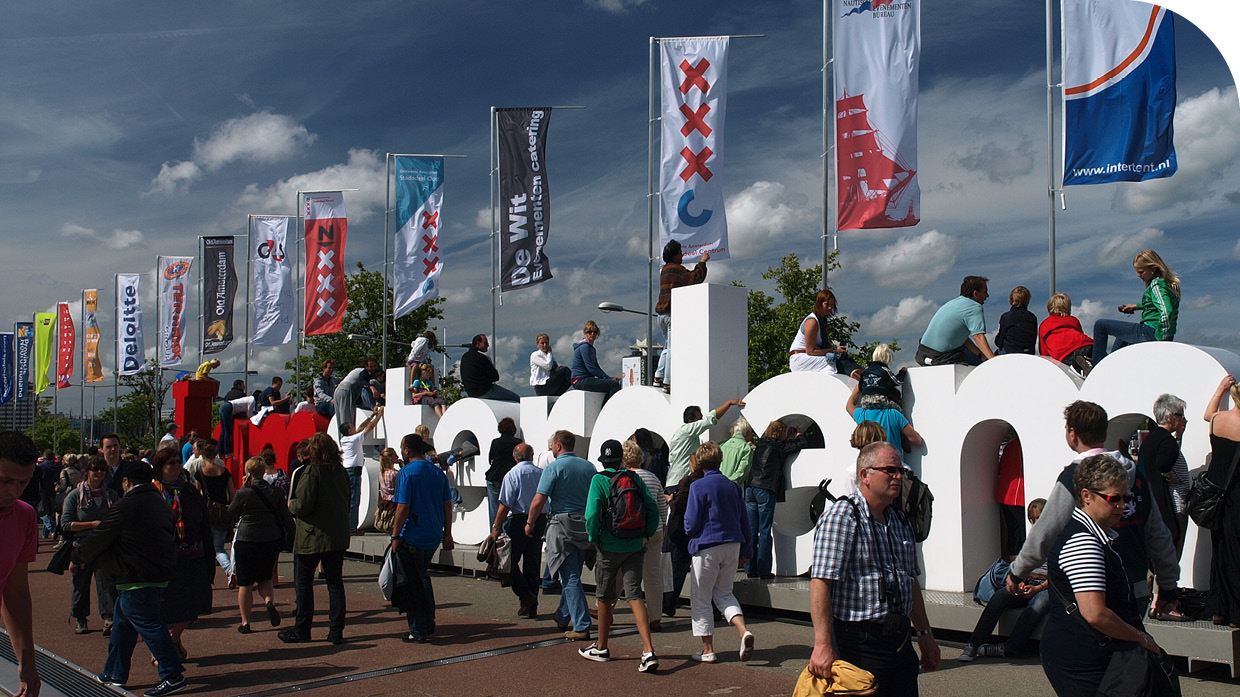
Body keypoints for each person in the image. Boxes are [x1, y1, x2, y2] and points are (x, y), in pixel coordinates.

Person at [1006, 401, 1181, 622]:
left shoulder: (1074, 478)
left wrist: (1017, 572)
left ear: (1072, 433)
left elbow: (1045, 532)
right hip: (1134, 587)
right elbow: (1158, 534)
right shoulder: (1133, 472)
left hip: (1088, 590)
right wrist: (1167, 585)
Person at [808, 442, 941, 696]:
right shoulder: (843, 516)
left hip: (900, 642)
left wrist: (925, 634)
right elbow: (821, 581)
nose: (898, 476)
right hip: (859, 645)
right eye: (890, 470)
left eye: (900, 471)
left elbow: (909, 582)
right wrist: (823, 643)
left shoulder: (899, 520)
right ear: (865, 475)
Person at [1039, 455, 1167, 697]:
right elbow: (1095, 613)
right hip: (1082, 660)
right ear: (1087, 496)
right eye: (1114, 499)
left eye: (1127, 498)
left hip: (1088, 653)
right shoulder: (1083, 543)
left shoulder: (1096, 535)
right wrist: (1141, 638)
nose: (1123, 506)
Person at [72, 458, 184, 697]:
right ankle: (115, 672)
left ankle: (172, 674)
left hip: (133, 573)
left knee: (148, 624)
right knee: (122, 625)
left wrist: (78, 556)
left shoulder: (126, 505)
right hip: (156, 571)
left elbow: (102, 534)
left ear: (126, 481)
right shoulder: (160, 502)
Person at [578, 439, 660, 672]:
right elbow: (652, 507)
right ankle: (648, 650)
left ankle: (602, 646)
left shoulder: (599, 479)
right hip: (634, 544)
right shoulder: (633, 478)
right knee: (635, 595)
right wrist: (646, 532)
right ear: (622, 458)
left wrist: (594, 539)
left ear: (603, 460)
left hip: (609, 545)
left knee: (605, 596)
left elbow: (592, 514)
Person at [685, 441, 755, 664]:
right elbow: (744, 520)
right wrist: (747, 548)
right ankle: (743, 630)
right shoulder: (733, 486)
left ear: (700, 462)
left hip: (707, 545)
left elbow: (691, 523)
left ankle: (708, 649)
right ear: (720, 459)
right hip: (732, 544)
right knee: (725, 593)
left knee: (701, 597)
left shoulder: (698, 487)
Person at [525, 430, 597, 640]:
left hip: (561, 525)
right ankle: (563, 615)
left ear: (557, 446)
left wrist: (530, 523)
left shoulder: (553, 468)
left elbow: (539, 500)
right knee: (573, 573)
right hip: (584, 526)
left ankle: (582, 624)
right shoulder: (589, 467)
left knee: (570, 576)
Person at [958, 498, 1050, 662]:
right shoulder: (1031, 541)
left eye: (1040, 517)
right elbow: (1022, 566)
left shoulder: (1059, 540)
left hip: (1047, 587)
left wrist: (1038, 587)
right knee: (1001, 595)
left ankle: (1009, 647)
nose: (1037, 522)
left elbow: (1061, 576)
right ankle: (973, 644)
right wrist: (1021, 581)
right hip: (1029, 582)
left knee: (1039, 604)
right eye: (1034, 519)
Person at [280, 432, 350, 644]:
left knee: (303, 584)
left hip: (311, 535)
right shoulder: (341, 472)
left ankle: (302, 629)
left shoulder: (312, 472)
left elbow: (302, 505)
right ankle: (336, 631)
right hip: (336, 535)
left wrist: (291, 505)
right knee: (335, 584)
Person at [150, 448, 213, 662]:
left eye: (178, 461)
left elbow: (203, 520)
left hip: (193, 555)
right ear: (161, 467)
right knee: (163, 606)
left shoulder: (189, 490)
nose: (177, 465)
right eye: (171, 463)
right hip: (162, 559)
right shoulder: (152, 492)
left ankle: (173, 638)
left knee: (193, 603)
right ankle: (161, 648)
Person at [390, 433, 454, 643]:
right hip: (433, 533)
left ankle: (418, 628)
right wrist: (447, 533)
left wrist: (395, 535)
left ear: (407, 450)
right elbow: (447, 504)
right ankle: (427, 619)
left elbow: (403, 507)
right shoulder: (437, 473)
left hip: (412, 534)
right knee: (422, 576)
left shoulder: (407, 474)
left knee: (412, 581)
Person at [228, 457, 293, 634]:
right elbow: (285, 517)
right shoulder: (275, 492)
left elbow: (230, 514)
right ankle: (268, 601)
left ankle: (245, 621)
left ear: (248, 473)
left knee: (245, 583)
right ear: (263, 471)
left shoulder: (243, 493)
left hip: (246, 539)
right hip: (270, 539)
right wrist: (292, 536)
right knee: (265, 577)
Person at [0, 432, 41, 697]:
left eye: (23, 482)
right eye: (4, 481)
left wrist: (27, 661)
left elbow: (15, 592)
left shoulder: (24, 516)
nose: (13, 491)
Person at [1089, 249, 1180, 368]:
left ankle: (1098, 366)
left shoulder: (1156, 285)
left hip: (1149, 333)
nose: (1138, 275)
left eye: (1141, 272)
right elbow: (1156, 303)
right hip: (1151, 332)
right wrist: (1136, 306)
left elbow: (1167, 311)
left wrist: (1161, 339)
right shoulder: (1166, 284)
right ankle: (1111, 365)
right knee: (1121, 336)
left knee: (1100, 325)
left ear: (1153, 269)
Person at [62, 456, 119, 635]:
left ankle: (109, 617)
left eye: (102, 469)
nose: (99, 473)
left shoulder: (111, 495)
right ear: (87, 471)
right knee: (81, 583)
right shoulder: (74, 496)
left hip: (105, 546)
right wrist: (92, 524)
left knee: (107, 583)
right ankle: (80, 617)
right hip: (82, 546)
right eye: (95, 469)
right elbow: (66, 524)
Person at [745, 420, 807, 578]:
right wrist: (799, 435)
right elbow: (800, 444)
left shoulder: (761, 444)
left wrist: (788, 437)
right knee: (765, 530)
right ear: (780, 433)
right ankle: (764, 570)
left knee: (752, 530)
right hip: (766, 489)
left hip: (751, 488)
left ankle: (750, 568)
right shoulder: (778, 446)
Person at [490, 443, 546, 618]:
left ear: (515, 457)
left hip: (518, 519)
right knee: (533, 562)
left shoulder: (513, 474)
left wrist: (496, 527)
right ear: (532, 455)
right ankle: (531, 603)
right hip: (539, 518)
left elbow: (505, 503)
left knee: (508, 562)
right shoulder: (541, 473)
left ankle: (525, 595)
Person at [619, 439, 669, 632]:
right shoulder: (652, 477)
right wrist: (662, 524)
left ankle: (608, 607)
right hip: (654, 530)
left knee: (619, 572)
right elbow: (661, 505)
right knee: (653, 575)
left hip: (631, 531)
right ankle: (655, 617)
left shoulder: (622, 478)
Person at [1202, 375, 1240, 627]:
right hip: (1238, 497)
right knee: (1237, 553)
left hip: (1217, 497)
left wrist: (1220, 388)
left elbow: (1208, 414)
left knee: (1219, 552)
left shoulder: (1217, 421)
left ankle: (1219, 610)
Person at [655, 239, 708, 391]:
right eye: (680, 253)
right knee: (673, 348)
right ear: (674, 255)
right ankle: (668, 382)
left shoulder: (664, 270)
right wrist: (702, 262)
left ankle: (658, 376)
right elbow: (695, 277)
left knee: (667, 347)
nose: (682, 255)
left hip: (661, 315)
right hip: (672, 314)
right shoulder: (676, 269)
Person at [1139, 394, 1188, 555]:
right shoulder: (1167, 440)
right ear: (1169, 416)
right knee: (1172, 552)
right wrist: (1170, 477)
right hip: (1170, 506)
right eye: (1180, 415)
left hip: (1153, 503)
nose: (1183, 420)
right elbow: (1163, 462)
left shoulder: (1151, 439)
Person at [915, 275, 995, 366]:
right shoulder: (974, 307)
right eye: (985, 292)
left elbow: (962, 338)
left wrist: (980, 354)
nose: (987, 295)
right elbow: (978, 336)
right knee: (980, 365)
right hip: (941, 357)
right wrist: (992, 359)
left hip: (923, 354)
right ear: (975, 293)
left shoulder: (953, 303)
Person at [667, 399, 745, 490]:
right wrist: (729, 403)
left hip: (675, 481)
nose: (701, 422)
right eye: (699, 420)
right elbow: (710, 420)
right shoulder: (687, 430)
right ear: (690, 421)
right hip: (681, 482)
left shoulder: (681, 434)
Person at [788, 289, 862, 378]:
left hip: (809, 356)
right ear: (819, 304)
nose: (830, 308)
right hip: (800, 359)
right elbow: (810, 351)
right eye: (827, 304)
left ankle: (862, 374)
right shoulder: (812, 322)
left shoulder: (822, 321)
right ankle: (863, 379)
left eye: (832, 305)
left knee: (844, 359)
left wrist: (837, 352)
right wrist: (834, 350)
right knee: (838, 363)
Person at [338, 406, 384, 533]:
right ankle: (352, 528)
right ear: (349, 430)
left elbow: (361, 427)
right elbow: (368, 429)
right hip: (353, 472)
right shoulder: (354, 439)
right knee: (354, 500)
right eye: (352, 427)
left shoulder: (345, 439)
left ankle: (348, 526)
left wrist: (371, 416)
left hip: (348, 471)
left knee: (349, 500)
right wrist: (379, 416)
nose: (355, 427)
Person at [194, 446, 235, 584]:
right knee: (219, 547)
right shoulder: (224, 472)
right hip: (221, 513)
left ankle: (209, 575)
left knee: (207, 546)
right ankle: (230, 570)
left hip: (206, 513)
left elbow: (197, 495)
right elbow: (232, 494)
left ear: (203, 457)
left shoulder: (200, 473)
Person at [847, 381, 923, 453]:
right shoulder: (893, 414)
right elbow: (916, 440)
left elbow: (849, 406)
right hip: (892, 463)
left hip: (870, 463)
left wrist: (858, 387)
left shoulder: (862, 414)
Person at [1038, 292, 1093, 371]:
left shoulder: (1044, 325)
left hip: (1064, 355)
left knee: (1070, 361)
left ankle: (1078, 364)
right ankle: (1084, 361)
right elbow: (1080, 334)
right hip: (1086, 345)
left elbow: (1044, 353)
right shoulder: (1073, 320)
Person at [570, 320, 622, 402]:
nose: (592, 334)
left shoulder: (591, 348)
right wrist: (608, 379)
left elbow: (596, 366)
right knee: (614, 385)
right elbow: (591, 368)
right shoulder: (585, 347)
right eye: (589, 332)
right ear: (585, 333)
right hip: (580, 380)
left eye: (594, 331)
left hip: (584, 379)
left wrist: (608, 378)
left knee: (609, 384)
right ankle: (605, 410)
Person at [486, 417, 523, 526]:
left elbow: (490, 459)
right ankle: (507, 535)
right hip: (510, 478)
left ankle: (495, 536)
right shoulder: (518, 442)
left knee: (494, 510)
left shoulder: (496, 442)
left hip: (494, 476)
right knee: (508, 509)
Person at [460, 334, 520, 402]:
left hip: (471, 393)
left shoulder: (464, 357)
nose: (488, 345)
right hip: (486, 391)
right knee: (516, 398)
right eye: (485, 343)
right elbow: (495, 377)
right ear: (478, 343)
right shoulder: (482, 357)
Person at [996, 436, 1026, 560]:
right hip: (1018, 494)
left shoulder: (1010, 445)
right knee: (1024, 534)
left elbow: (1000, 469)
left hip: (1005, 495)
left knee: (1013, 534)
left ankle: (1013, 567)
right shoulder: (1020, 445)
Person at [333, 357, 378, 431]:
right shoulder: (364, 372)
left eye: (374, 366)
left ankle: (342, 440)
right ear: (365, 366)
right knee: (347, 420)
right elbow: (362, 382)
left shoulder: (356, 370)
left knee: (340, 420)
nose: (373, 368)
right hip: (346, 390)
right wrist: (371, 388)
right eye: (371, 366)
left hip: (338, 390)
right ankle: (348, 440)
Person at [858, 344, 906, 410]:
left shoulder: (866, 370)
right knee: (898, 410)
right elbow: (898, 381)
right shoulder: (884, 370)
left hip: (865, 402)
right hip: (880, 400)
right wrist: (902, 371)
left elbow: (860, 387)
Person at [994, 286, 1036, 355]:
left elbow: (999, 340)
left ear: (1010, 300)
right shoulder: (1032, 317)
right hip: (1027, 352)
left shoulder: (1006, 316)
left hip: (1009, 351)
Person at [530, 332, 571, 397]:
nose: (545, 345)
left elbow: (555, 366)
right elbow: (548, 366)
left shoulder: (549, 356)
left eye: (546, 343)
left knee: (566, 376)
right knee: (565, 370)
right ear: (537, 344)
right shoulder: (535, 355)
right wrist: (549, 352)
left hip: (549, 384)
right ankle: (577, 385)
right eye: (542, 343)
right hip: (542, 387)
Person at [218, 393, 257, 460]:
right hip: (228, 408)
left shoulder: (248, 398)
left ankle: (221, 452)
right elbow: (249, 415)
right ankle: (228, 451)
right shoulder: (252, 400)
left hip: (224, 406)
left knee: (223, 431)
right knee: (227, 431)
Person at [719, 417, 755, 485]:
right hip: (731, 486)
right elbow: (742, 472)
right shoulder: (746, 448)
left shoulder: (723, 445)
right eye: (751, 432)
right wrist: (731, 483)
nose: (752, 435)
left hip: (719, 482)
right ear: (747, 432)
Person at [374, 448, 400, 535]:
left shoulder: (382, 473)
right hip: (395, 503)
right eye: (395, 455)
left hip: (386, 503)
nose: (397, 457)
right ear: (390, 458)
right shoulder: (394, 474)